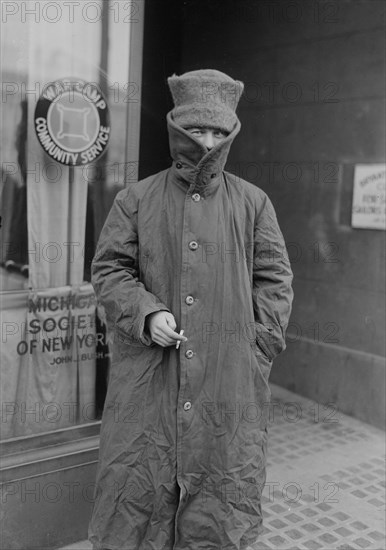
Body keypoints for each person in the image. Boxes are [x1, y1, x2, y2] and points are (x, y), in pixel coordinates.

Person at [88, 69, 293, 550]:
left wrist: (257, 348)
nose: (206, 141)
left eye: (218, 132)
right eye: (196, 130)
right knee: (136, 500)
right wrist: (145, 313)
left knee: (219, 507)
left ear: (231, 134)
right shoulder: (136, 199)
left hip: (228, 379)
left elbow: (275, 280)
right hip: (148, 381)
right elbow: (110, 269)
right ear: (177, 129)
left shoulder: (253, 203)